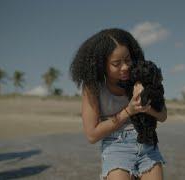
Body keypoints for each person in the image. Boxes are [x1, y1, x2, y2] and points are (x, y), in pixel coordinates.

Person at [70, 28, 167, 180]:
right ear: (102, 65)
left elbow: (163, 116)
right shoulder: (93, 87)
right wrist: (129, 110)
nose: (125, 67)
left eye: (128, 60)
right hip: (116, 146)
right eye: (116, 63)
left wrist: (145, 106)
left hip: (147, 143)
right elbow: (92, 135)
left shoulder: (141, 75)